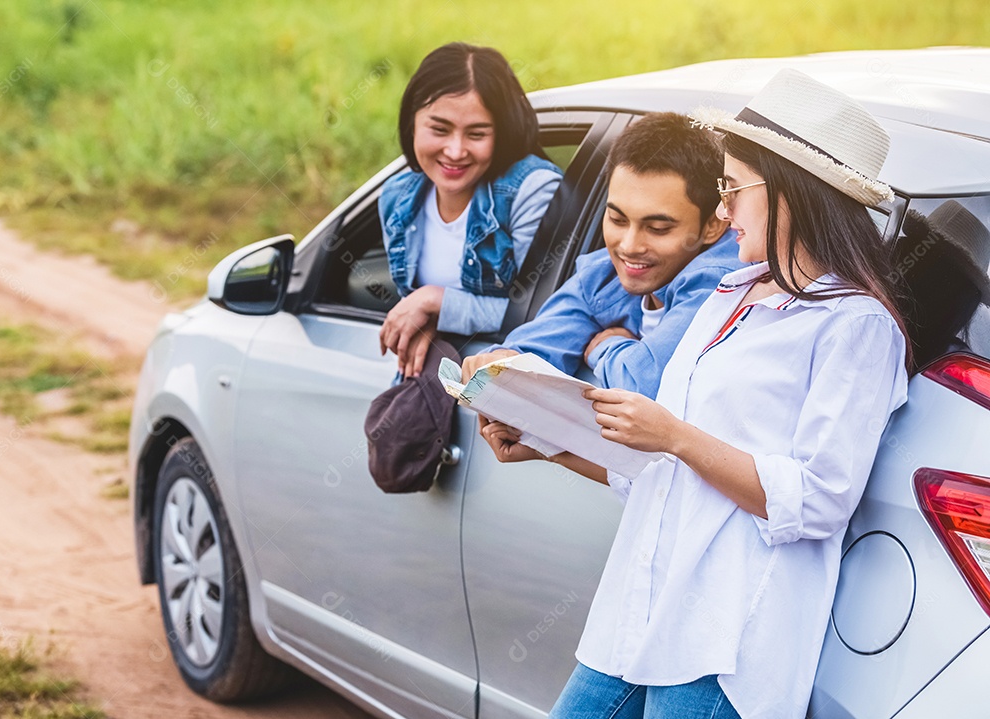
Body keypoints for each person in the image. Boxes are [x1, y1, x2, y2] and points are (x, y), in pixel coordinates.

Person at [480, 69, 912, 718]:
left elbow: (820, 498)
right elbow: (660, 471)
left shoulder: (855, 326)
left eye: (733, 188)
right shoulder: (729, 297)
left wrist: (677, 434)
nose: (724, 210)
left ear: (792, 193)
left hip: (724, 643)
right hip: (637, 614)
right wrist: (545, 444)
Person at [461, 112, 744, 397]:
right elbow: (530, 351)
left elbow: (644, 384)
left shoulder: (725, 278)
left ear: (713, 226)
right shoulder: (602, 275)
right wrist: (499, 360)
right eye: (617, 220)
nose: (629, 246)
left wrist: (604, 347)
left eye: (657, 228)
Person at [378, 42, 562, 378]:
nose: (455, 150)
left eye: (476, 134)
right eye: (439, 129)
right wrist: (430, 319)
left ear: (500, 133)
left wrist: (434, 301)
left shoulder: (531, 190)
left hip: (504, 383)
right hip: (436, 382)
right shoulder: (396, 196)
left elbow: (537, 312)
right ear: (412, 123)